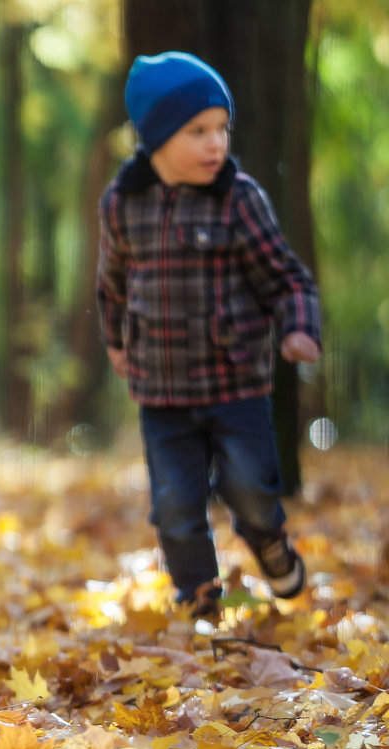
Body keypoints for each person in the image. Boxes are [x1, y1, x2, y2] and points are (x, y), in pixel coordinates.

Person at [96, 51, 322, 617]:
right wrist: (117, 342)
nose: (215, 143)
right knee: (175, 507)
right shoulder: (123, 205)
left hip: (235, 384)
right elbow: (113, 284)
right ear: (156, 136)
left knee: (250, 491)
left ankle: (268, 543)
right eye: (197, 131)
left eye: (222, 128)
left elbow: (286, 278)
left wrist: (297, 328)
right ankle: (199, 601)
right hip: (162, 392)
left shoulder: (238, 199)